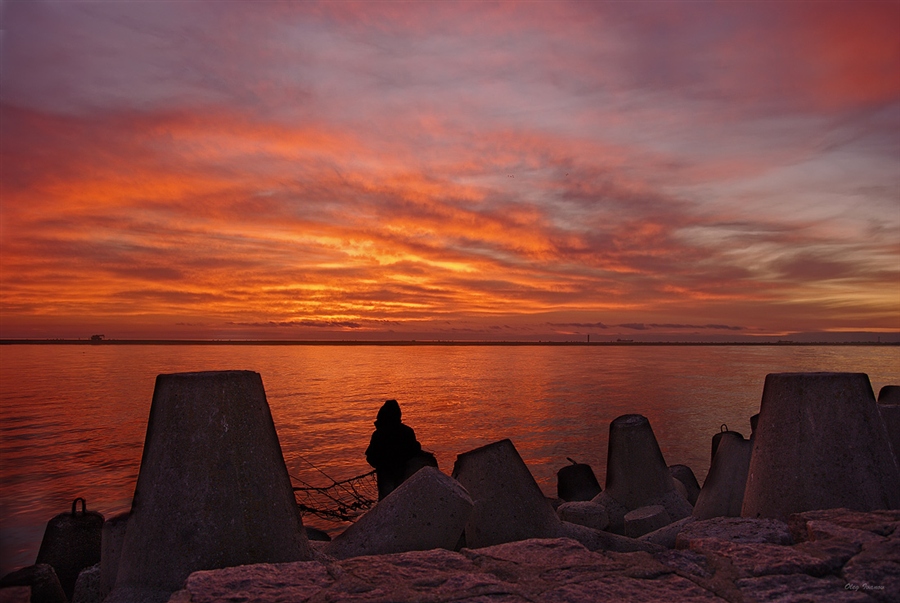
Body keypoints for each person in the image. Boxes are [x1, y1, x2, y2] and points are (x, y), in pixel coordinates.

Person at [365, 399, 423, 500]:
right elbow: (415, 451)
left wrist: (382, 464)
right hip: (404, 475)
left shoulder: (378, 434)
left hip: (385, 475)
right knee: (404, 500)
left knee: (386, 503)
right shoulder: (407, 432)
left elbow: (371, 457)